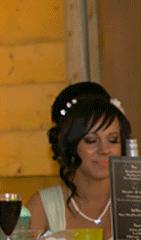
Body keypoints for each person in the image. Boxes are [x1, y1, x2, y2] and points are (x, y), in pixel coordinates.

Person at [26, 84, 132, 239]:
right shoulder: (43, 207)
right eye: (91, 140)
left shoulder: (134, 200)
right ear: (70, 145)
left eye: (113, 140)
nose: (104, 150)